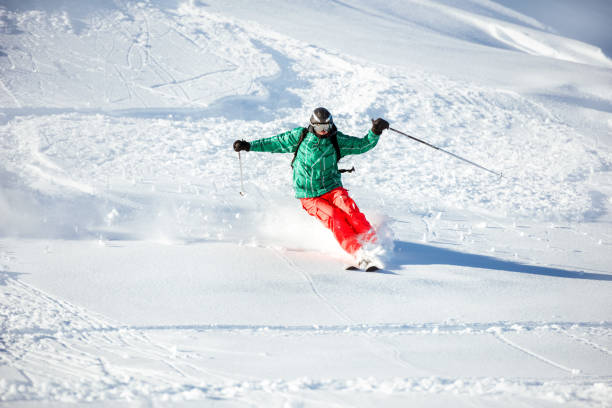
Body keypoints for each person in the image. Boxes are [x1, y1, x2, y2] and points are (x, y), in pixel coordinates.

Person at [233, 107, 389, 270]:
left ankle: (374, 245)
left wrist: (375, 131)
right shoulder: (300, 137)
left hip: (332, 187)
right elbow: (275, 143)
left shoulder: (336, 140)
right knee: (334, 216)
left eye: (327, 127)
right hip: (309, 195)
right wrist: (249, 145)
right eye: (320, 128)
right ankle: (358, 252)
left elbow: (362, 145)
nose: (324, 131)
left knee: (349, 210)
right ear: (312, 126)